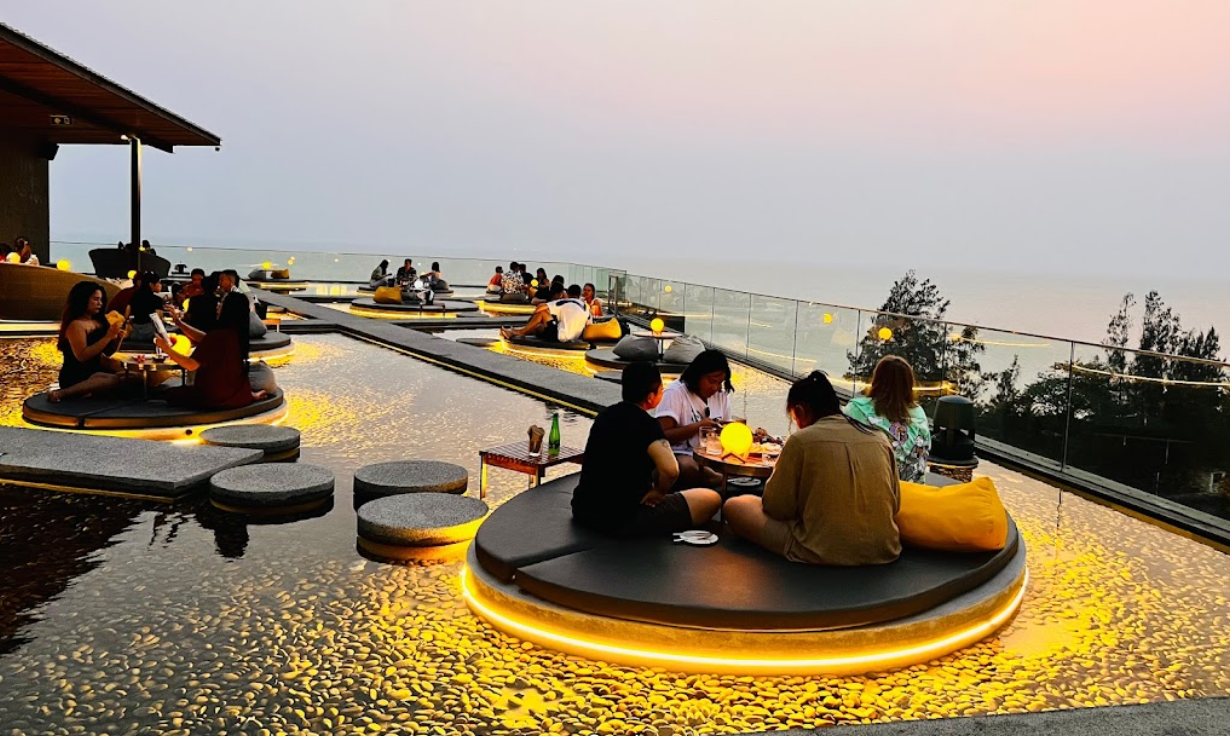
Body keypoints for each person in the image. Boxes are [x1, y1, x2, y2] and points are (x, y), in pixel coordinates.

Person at [723, 371, 902, 565]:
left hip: (821, 550)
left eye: (794, 419)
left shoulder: (801, 440)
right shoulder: (879, 439)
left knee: (736, 506)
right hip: (883, 549)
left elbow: (776, 507)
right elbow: (895, 504)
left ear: (800, 411)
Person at [572, 362, 722, 536]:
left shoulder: (605, 416)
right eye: (661, 390)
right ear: (651, 397)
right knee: (710, 499)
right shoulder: (648, 425)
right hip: (623, 519)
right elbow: (671, 470)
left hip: (584, 511)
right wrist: (659, 492)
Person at [157, 292, 265, 409]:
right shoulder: (237, 334)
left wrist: (166, 348)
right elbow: (205, 338)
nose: (218, 305)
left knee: (170, 394)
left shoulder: (218, 336)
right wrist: (179, 323)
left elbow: (190, 365)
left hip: (215, 397)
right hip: (236, 394)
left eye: (222, 303)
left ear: (228, 309)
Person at [844, 355, 932, 482]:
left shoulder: (856, 410)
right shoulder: (919, 415)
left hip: (863, 485)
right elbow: (920, 463)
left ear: (876, 380)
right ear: (909, 385)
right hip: (908, 489)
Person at [656, 350, 735, 489]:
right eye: (711, 381)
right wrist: (698, 426)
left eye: (720, 383)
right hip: (681, 453)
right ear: (698, 375)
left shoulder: (720, 395)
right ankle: (721, 480)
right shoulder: (675, 393)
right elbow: (662, 436)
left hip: (713, 454)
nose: (715, 387)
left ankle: (721, 479)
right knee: (688, 468)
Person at [48, 281, 126, 402]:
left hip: (97, 370)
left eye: (101, 300)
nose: (100, 303)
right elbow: (82, 356)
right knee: (112, 380)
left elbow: (107, 352)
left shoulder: (99, 322)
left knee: (129, 376)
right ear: (83, 300)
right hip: (77, 374)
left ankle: (91, 390)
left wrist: (117, 338)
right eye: (96, 299)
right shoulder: (76, 325)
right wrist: (107, 337)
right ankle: (64, 393)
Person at [501, 284, 591, 343]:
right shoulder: (586, 307)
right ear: (579, 294)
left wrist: (531, 319)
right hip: (573, 337)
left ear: (567, 293)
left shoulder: (565, 302)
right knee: (540, 327)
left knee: (542, 313)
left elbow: (540, 307)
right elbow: (589, 325)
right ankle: (516, 331)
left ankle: (521, 332)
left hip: (560, 336)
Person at [127, 272, 166, 342]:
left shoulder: (134, 296)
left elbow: (127, 314)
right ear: (151, 284)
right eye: (158, 282)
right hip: (150, 335)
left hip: (135, 334)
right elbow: (158, 321)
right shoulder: (156, 300)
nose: (160, 285)